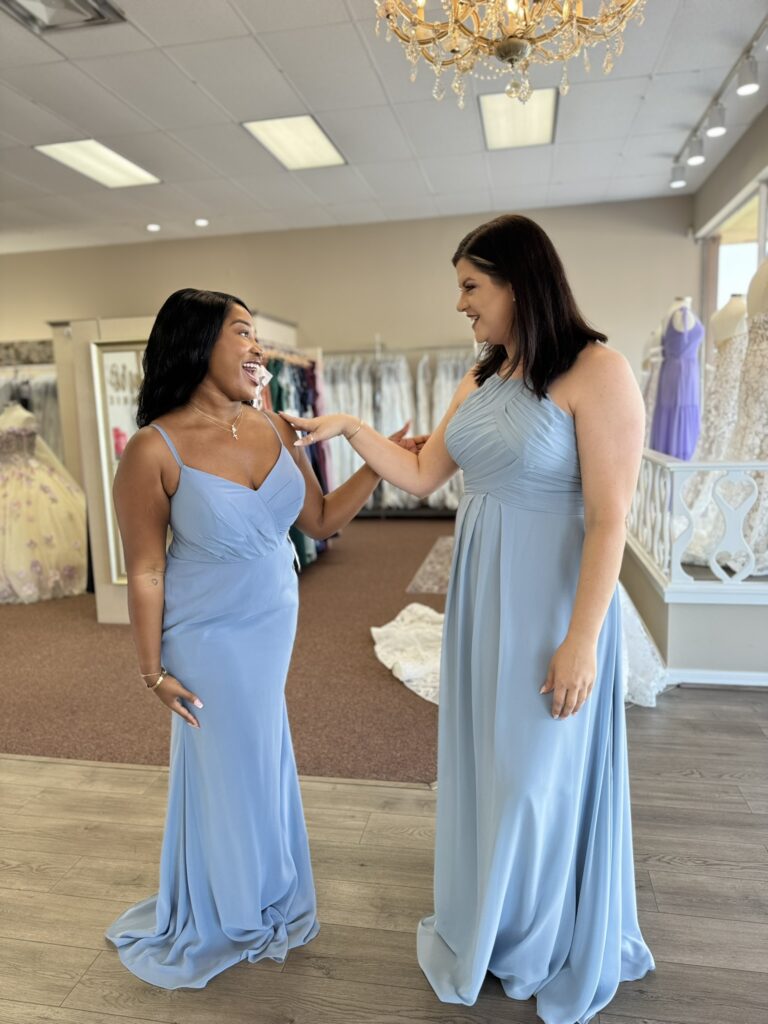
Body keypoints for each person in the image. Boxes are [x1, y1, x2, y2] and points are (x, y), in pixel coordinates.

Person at [284, 214, 655, 1024]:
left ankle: (538, 935)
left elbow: (608, 520)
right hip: (484, 602)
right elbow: (421, 474)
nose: (459, 304)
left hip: (553, 604)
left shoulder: (600, 371)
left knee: (535, 782)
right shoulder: (482, 376)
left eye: (470, 286)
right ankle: (490, 920)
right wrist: (351, 428)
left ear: (521, 282)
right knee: (491, 772)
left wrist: (582, 642)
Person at [105, 288, 421, 989]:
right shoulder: (153, 450)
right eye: (242, 333)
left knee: (257, 752)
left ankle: (259, 885)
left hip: (272, 618)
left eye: (258, 337)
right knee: (232, 758)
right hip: (206, 633)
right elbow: (147, 569)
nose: (258, 349)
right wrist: (152, 671)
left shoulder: (275, 426)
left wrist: (378, 461)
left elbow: (320, 520)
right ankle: (232, 908)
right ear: (196, 342)